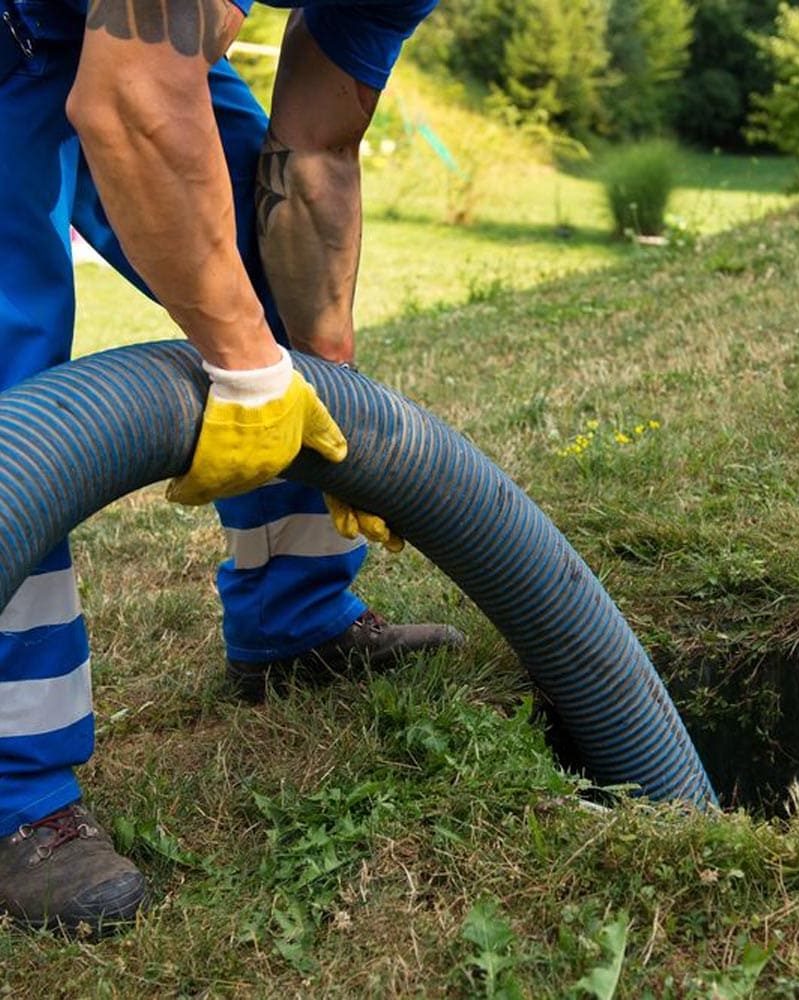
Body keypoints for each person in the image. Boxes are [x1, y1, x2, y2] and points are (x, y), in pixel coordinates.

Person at [0, 0, 463, 935]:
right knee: (12, 394)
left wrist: (321, 370)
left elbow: (318, 149)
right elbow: (130, 97)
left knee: (266, 280)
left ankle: (296, 624)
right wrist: (248, 371)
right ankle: (14, 794)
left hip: (106, 29)